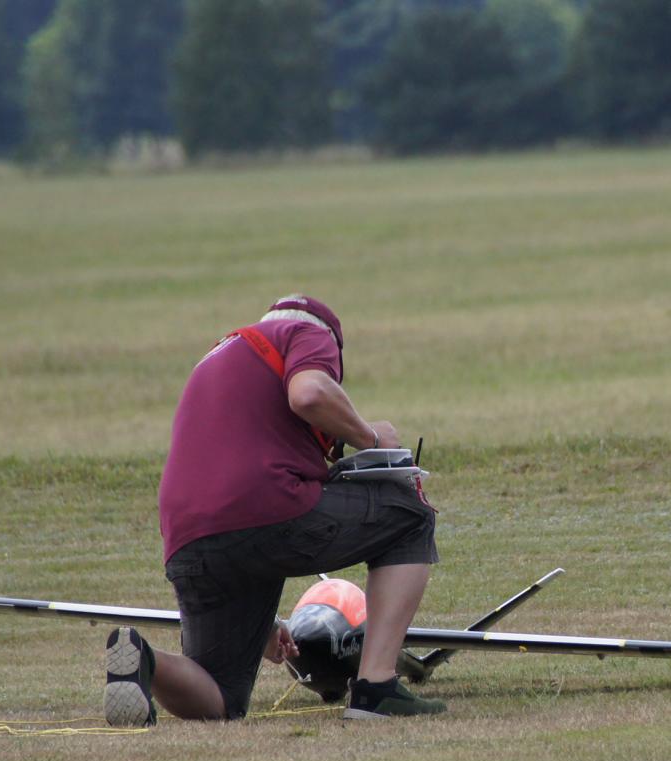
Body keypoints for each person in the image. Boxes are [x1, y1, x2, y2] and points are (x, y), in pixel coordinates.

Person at [102, 294, 445, 725]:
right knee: (410, 515)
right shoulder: (305, 331)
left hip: (187, 538)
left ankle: (145, 659)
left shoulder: (215, 359)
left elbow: (231, 485)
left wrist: (263, 624)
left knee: (224, 697)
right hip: (265, 509)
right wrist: (371, 438)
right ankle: (376, 687)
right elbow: (309, 394)